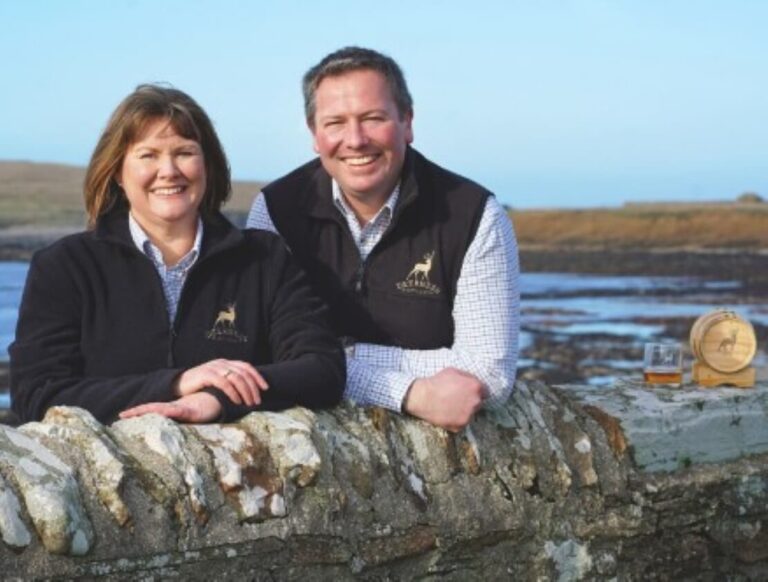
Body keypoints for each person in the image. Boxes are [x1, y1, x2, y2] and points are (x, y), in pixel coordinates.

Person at [10, 84, 345, 425]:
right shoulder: (65, 267)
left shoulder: (264, 258)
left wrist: (216, 397)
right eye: (148, 155)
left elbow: (322, 368)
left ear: (208, 165)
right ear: (117, 173)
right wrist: (177, 383)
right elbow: (36, 394)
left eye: (184, 152)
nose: (169, 170)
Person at [247, 47, 519, 432]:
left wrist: (331, 359)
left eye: (373, 118)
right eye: (335, 123)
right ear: (314, 134)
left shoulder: (474, 215)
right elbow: (259, 349)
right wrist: (406, 392)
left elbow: (490, 374)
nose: (355, 140)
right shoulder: (276, 209)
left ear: (407, 122)